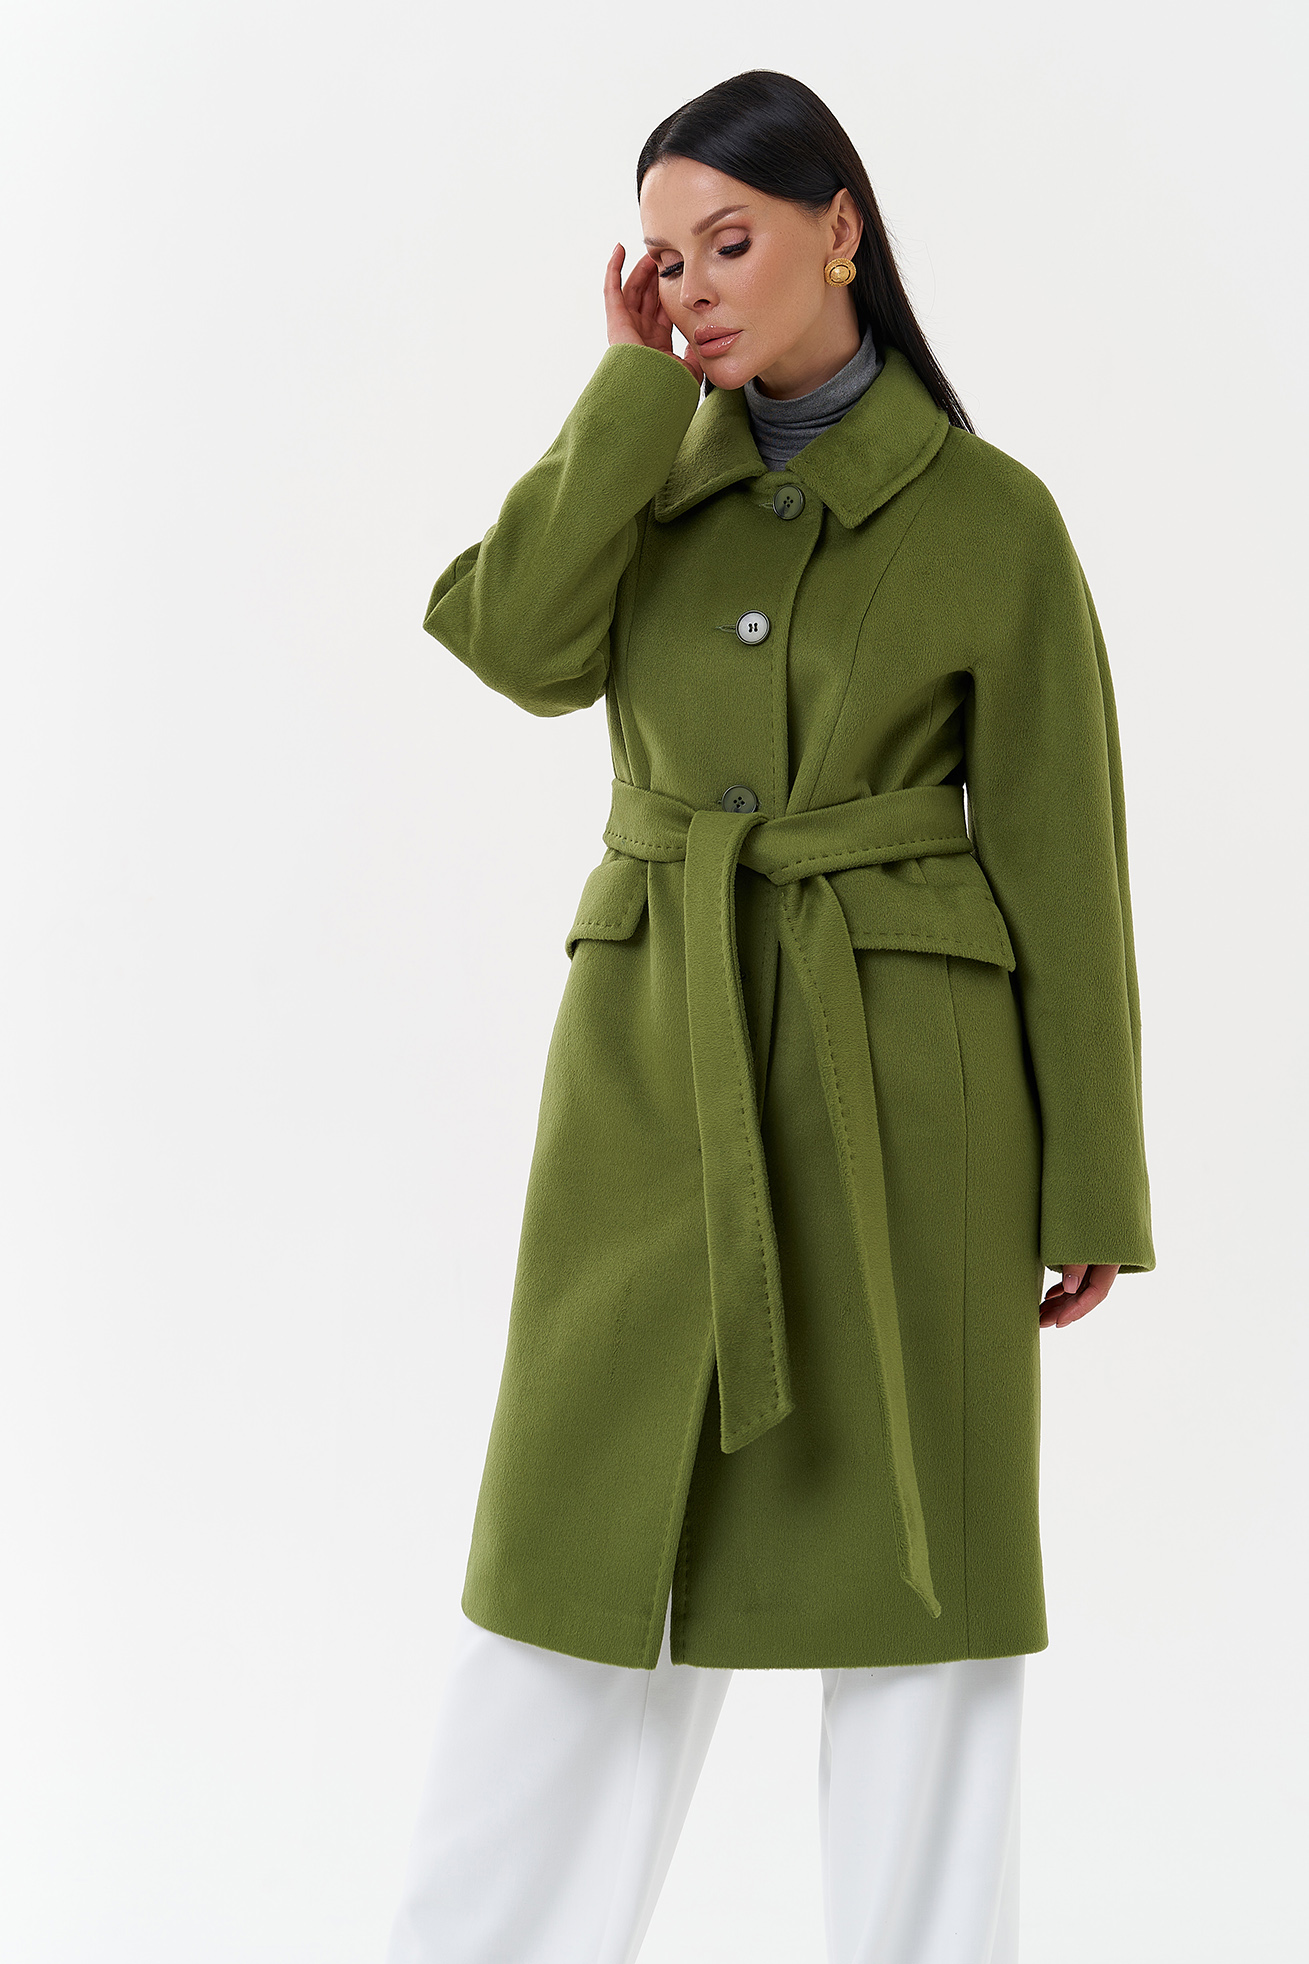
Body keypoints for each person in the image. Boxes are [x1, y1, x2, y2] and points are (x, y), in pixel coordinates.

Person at [383, 67, 1154, 1964]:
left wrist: (1089, 1183)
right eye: (661, 260)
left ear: (841, 229)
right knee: (574, 1568)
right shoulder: (647, 478)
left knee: (928, 1605)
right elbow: (511, 646)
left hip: (913, 1094)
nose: (695, 287)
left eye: (727, 242)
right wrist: (627, 397)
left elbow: (1063, 862)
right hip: (655, 1071)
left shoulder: (991, 518)